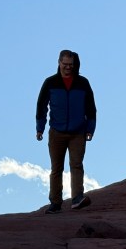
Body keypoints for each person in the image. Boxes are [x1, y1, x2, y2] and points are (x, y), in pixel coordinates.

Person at [35, 50, 96, 214]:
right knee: (56, 168)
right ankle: (55, 203)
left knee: (76, 165)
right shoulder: (50, 82)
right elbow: (41, 106)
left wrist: (90, 129)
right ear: (59, 63)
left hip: (78, 132)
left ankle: (77, 199)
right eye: (65, 64)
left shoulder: (83, 83)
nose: (68, 67)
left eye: (71, 64)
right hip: (57, 132)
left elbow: (91, 107)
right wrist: (40, 128)